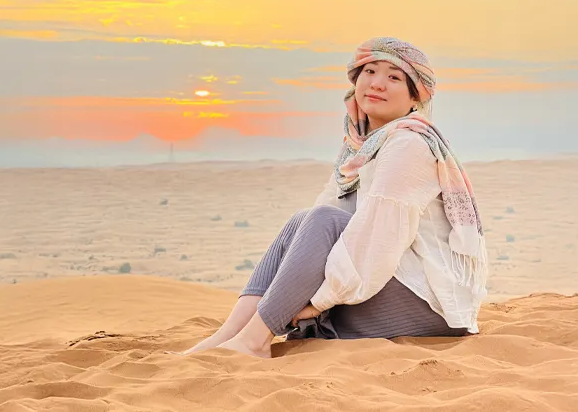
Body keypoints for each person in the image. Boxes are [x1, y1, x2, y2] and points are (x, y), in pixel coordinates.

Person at [182, 37, 489, 358]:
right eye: (370, 71)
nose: (377, 83)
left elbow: (378, 241)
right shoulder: (361, 146)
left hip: (428, 305)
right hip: (382, 284)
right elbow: (320, 227)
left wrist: (317, 302)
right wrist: (301, 293)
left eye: (394, 77)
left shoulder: (408, 145)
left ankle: (254, 340)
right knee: (304, 219)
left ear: (415, 96)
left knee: (321, 220)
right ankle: (229, 335)